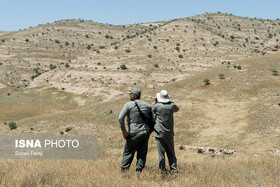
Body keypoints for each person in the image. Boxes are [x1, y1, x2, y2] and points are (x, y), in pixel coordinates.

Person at [118, 88, 152, 176]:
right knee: (142, 153)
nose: (129, 95)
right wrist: (149, 131)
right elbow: (153, 120)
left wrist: (124, 131)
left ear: (134, 95)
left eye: (130, 94)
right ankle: (138, 173)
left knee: (128, 152)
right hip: (145, 132)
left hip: (134, 133)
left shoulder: (129, 105)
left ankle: (124, 173)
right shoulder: (147, 105)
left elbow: (120, 118)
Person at [152, 90, 179, 173]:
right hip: (169, 133)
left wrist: (154, 102)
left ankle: (163, 170)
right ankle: (174, 170)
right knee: (171, 153)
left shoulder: (157, 106)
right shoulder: (171, 106)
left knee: (161, 154)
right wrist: (170, 101)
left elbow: (150, 109)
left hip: (159, 133)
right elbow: (177, 108)